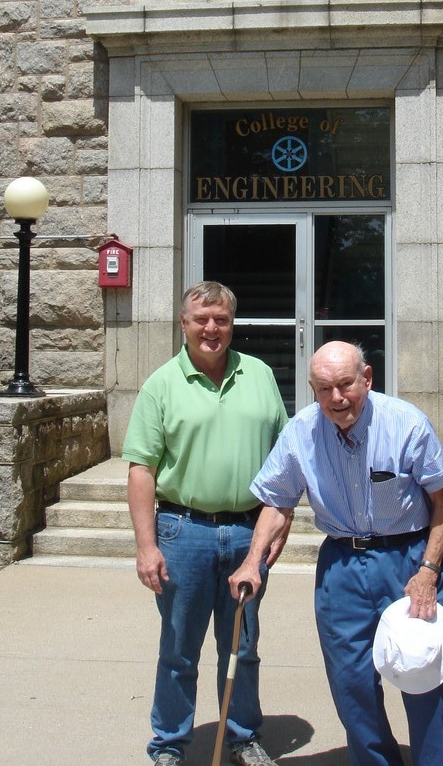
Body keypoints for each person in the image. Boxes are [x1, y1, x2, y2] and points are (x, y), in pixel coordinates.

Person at [230, 341, 443, 766]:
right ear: (312, 389)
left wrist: (429, 571)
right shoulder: (301, 432)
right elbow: (278, 503)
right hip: (342, 564)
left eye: (345, 384)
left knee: (428, 675)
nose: (337, 398)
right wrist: (253, 559)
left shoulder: (405, 423)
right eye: (324, 389)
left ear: (367, 378)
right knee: (351, 683)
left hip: (413, 556)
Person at [123, 281, 289, 766]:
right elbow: (141, 470)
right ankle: (169, 744)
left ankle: (242, 737)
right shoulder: (161, 384)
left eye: (220, 319)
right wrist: (146, 546)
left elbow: (285, 457)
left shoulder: (259, 375)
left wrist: (282, 523)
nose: (211, 328)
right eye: (201, 319)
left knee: (243, 646)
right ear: (184, 324)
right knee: (178, 650)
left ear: (231, 324)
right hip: (183, 532)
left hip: (246, 533)